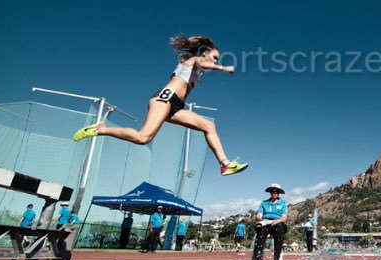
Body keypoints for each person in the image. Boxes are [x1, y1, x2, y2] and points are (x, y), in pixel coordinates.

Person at [71, 34, 248, 177]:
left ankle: (225, 165)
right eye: (214, 58)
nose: (215, 61)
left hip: (177, 107)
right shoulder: (194, 60)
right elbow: (202, 63)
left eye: (217, 60)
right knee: (143, 138)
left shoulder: (198, 69)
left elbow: (201, 68)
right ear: (204, 53)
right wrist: (224, 68)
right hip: (165, 99)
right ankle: (101, 129)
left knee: (209, 125)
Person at [251, 184, 288, 260]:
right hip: (265, 222)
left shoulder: (283, 203)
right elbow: (258, 216)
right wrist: (262, 219)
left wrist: (277, 221)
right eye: (273, 191)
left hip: (277, 223)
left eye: (277, 191)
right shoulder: (264, 203)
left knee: (280, 232)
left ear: (279, 193)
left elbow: (284, 218)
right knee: (260, 233)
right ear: (270, 192)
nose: (275, 192)